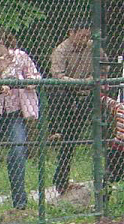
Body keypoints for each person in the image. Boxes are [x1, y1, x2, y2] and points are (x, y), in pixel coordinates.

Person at [0, 27, 40, 211]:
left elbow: (36, 77)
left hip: (15, 113)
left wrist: (18, 81)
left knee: (17, 151)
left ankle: (20, 203)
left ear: (0, 43)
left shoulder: (20, 57)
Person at [50, 21, 92, 196]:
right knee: (69, 138)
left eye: (87, 36)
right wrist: (80, 82)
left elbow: (104, 67)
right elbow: (58, 76)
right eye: (82, 35)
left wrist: (94, 78)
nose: (85, 39)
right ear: (71, 33)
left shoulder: (92, 47)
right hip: (68, 95)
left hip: (88, 95)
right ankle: (56, 129)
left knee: (72, 139)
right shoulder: (61, 50)